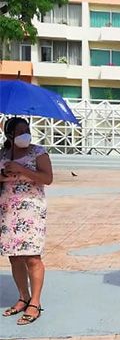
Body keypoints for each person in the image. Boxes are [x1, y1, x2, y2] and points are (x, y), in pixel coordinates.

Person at [0, 117, 52, 325]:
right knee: (14, 257)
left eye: (27, 129)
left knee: (32, 257)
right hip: (8, 210)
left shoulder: (38, 152)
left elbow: (47, 178)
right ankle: (23, 296)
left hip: (31, 209)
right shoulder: (3, 154)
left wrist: (21, 169)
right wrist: (5, 172)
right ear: (9, 135)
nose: (24, 134)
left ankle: (35, 302)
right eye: (19, 131)